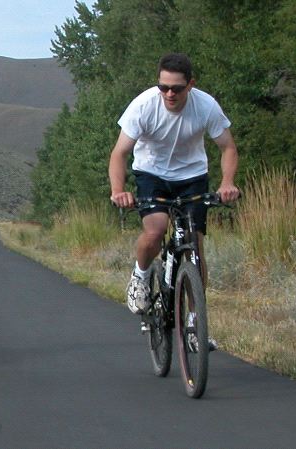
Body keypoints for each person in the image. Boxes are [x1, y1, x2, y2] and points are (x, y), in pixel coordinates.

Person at [109, 53, 240, 320]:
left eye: (177, 89)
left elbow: (228, 148)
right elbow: (119, 153)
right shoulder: (144, 106)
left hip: (192, 176)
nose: (169, 94)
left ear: (190, 85)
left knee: (195, 246)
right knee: (155, 230)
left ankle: (195, 321)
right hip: (152, 173)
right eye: (163, 87)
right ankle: (142, 275)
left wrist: (227, 184)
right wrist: (118, 190)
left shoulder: (206, 106)